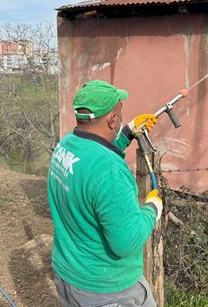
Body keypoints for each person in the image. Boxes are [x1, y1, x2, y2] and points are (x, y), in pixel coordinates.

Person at [47, 79, 163, 307]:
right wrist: (152, 209)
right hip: (108, 289)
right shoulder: (111, 172)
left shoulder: (67, 145)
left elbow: (93, 159)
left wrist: (128, 132)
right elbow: (126, 242)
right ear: (112, 121)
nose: (121, 118)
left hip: (69, 273)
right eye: (120, 114)